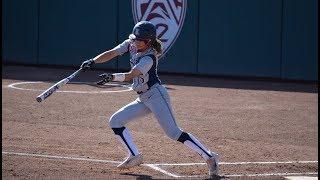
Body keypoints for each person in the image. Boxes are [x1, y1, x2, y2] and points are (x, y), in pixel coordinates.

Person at [80, 21, 219, 176]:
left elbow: (131, 75)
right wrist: (93, 61)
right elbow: (112, 52)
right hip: (143, 98)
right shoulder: (131, 44)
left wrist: (111, 76)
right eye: (134, 38)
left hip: (156, 96)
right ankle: (134, 155)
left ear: (148, 41)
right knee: (115, 121)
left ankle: (210, 157)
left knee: (174, 133)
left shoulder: (149, 58)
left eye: (139, 40)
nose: (135, 41)